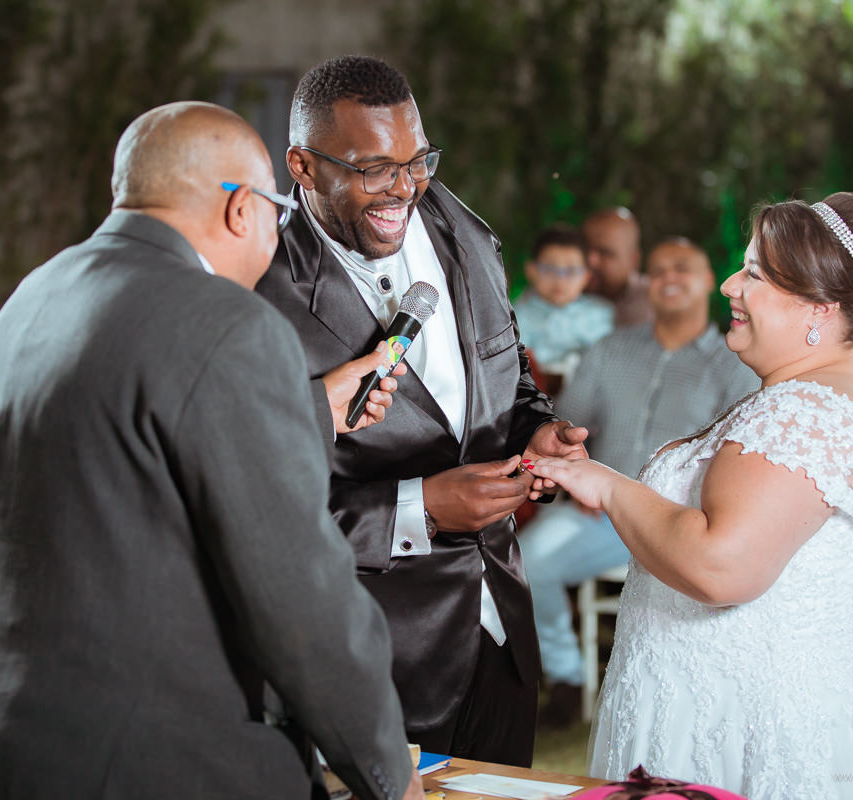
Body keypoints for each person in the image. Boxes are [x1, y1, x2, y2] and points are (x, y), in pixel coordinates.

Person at [0, 102, 426, 800]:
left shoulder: (36, 295)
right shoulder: (228, 322)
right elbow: (300, 595)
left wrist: (310, 409)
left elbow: (120, 468)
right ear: (241, 209)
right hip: (141, 758)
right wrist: (385, 771)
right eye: (276, 214)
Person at [531, 193, 853, 798]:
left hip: (749, 731)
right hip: (732, 709)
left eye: (754, 274)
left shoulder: (805, 415)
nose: (730, 286)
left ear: (819, 308)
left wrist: (605, 483)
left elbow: (720, 566)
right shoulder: (811, 400)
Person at [255, 55, 589, 767]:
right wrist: (421, 510)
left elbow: (509, 380)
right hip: (366, 660)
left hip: (500, 636)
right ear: (303, 167)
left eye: (417, 161)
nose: (405, 188)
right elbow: (251, 511)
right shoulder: (259, 292)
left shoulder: (464, 231)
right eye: (376, 168)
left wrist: (538, 430)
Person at [520, 237, 758, 728]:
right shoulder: (610, 349)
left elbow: (738, 456)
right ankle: (565, 679)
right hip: (600, 515)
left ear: (709, 280)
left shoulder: (734, 363)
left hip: (685, 520)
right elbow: (567, 424)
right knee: (527, 557)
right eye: (659, 269)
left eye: (682, 268)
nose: (669, 278)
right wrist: (577, 463)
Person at [512, 224, 615, 386]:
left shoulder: (600, 314)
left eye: (571, 271)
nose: (560, 279)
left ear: (587, 276)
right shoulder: (517, 315)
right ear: (531, 270)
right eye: (549, 269)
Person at [581, 207, 653, 328]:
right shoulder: (560, 293)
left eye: (605, 253)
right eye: (585, 250)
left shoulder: (655, 304)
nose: (591, 261)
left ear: (633, 260)